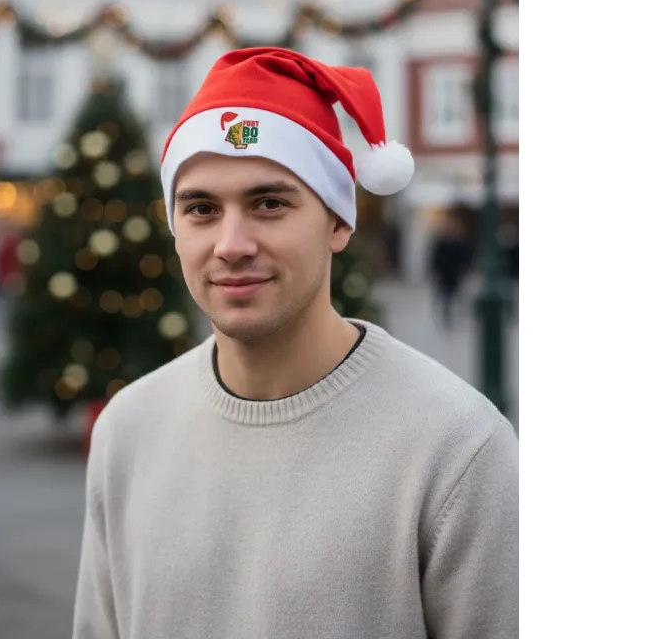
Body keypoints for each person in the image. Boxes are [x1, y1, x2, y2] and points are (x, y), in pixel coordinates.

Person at [73, 48, 523, 639]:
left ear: (339, 221)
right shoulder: (126, 429)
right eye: (202, 208)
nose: (231, 243)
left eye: (269, 203)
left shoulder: (457, 448)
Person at [429, 215, 473, 329]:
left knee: (455, 297)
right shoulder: (441, 243)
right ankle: (447, 317)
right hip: (445, 275)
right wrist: (436, 272)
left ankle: (454, 317)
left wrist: (463, 270)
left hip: (455, 275)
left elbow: (465, 258)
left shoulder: (460, 243)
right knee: (446, 297)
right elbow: (435, 259)